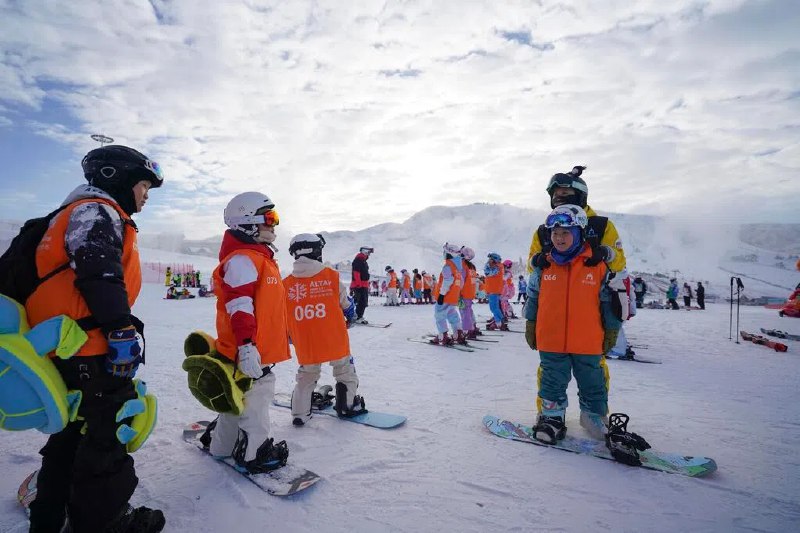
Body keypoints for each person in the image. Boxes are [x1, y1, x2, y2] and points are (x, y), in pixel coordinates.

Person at [25, 145, 165, 532]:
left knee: (70, 436)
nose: (146, 194)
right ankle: (103, 522)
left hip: (70, 346)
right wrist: (120, 328)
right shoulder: (95, 211)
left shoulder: (78, 212)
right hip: (90, 350)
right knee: (107, 436)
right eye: (142, 185)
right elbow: (98, 270)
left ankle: (50, 517)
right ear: (115, 178)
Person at [202, 192, 291, 475]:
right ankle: (255, 453)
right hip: (249, 346)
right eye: (269, 218)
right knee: (257, 397)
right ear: (248, 224)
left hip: (247, 344)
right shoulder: (243, 260)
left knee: (235, 394)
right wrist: (247, 345)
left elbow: (265, 307)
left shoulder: (255, 258)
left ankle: (222, 445)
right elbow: (240, 305)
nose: (274, 225)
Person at [523, 205, 622, 445]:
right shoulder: (543, 266)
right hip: (551, 338)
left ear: (579, 232)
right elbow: (533, 297)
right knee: (552, 380)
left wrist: (611, 329)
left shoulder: (596, 266)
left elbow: (609, 302)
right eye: (555, 233)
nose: (560, 238)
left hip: (587, 338)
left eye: (566, 232)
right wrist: (531, 322)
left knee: (592, 380)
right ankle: (552, 416)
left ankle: (593, 416)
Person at [284, 233, 366, 425]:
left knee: (307, 375)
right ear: (317, 251)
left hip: (305, 339)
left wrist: (289, 334)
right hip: (333, 336)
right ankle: (347, 405)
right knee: (344, 370)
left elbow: (281, 314)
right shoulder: (331, 276)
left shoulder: (285, 284)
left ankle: (299, 413)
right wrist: (351, 316)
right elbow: (346, 304)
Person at [528, 165, 626, 274]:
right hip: (554, 287)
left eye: (564, 193)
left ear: (580, 196)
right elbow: (530, 269)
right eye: (555, 194)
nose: (558, 197)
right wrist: (536, 261)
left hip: (591, 287)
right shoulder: (544, 231)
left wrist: (606, 253)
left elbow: (620, 264)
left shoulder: (601, 226)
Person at [430, 243, 465, 345]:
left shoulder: (448, 266)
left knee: (439, 315)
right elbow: (461, 283)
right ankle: (458, 334)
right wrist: (457, 293)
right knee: (452, 314)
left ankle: (442, 336)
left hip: (445, 296)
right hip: (453, 297)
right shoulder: (458, 268)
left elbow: (447, 281)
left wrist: (441, 294)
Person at [459, 246, 480, 339]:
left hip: (464, 293)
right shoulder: (472, 266)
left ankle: (467, 330)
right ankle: (473, 327)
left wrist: (457, 292)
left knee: (464, 312)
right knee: (469, 311)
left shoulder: (463, 265)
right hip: (470, 292)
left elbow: (461, 280)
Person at [350, 246, 373, 324]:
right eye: (368, 253)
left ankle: (358, 316)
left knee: (363, 302)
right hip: (359, 285)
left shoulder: (363, 261)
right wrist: (358, 284)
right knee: (359, 302)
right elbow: (356, 273)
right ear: (365, 252)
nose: (369, 255)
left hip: (364, 285)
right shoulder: (358, 260)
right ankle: (357, 317)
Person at [484, 253, 508, 330]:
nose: (489, 261)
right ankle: (500, 320)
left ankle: (499, 322)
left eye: (490, 259)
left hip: (493, 290)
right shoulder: (498, 266)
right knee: (494, 307)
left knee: (493, 307)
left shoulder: (497, 267)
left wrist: (488, 265)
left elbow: (488, 273)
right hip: (493, 289)